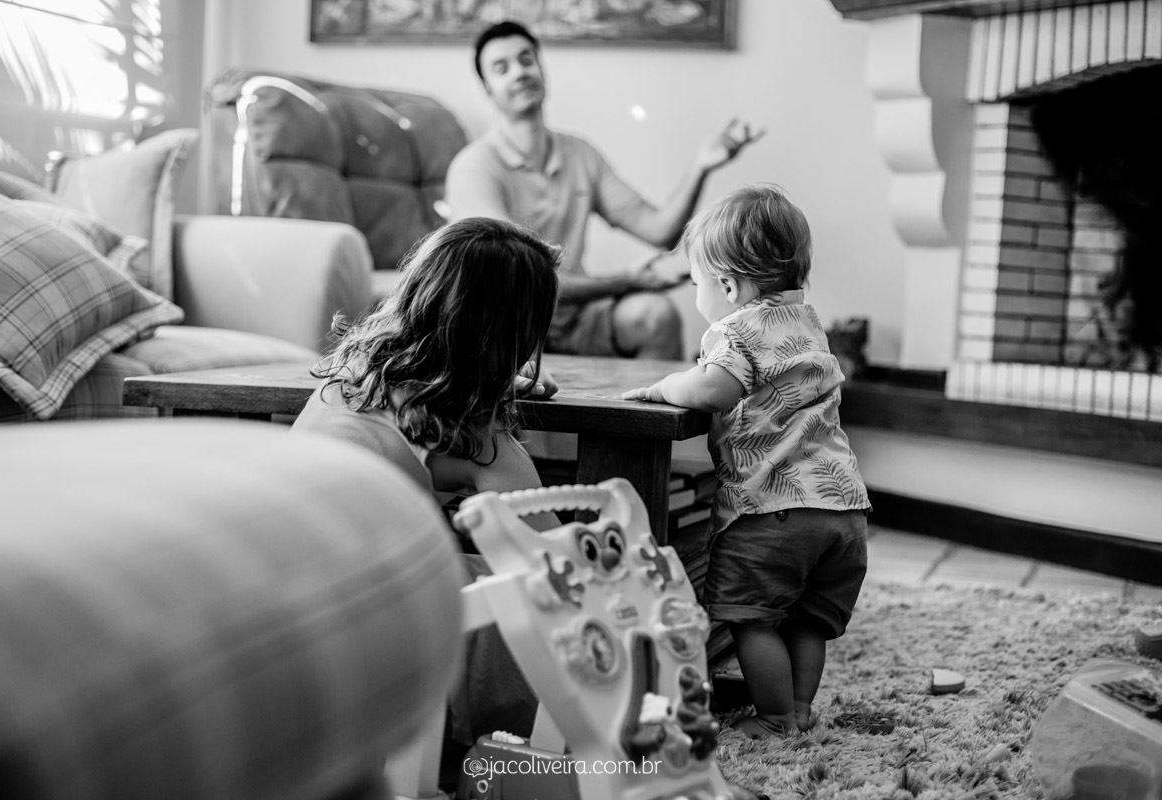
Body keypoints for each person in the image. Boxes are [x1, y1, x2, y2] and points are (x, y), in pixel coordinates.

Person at [292, 216, 561, 752]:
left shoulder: (353, 372)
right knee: (533, 596)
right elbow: (555, 558)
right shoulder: (470, 434)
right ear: (513, 333)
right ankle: (497, 733)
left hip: (293, 588)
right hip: (369, 612)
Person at [622, 185, 870, 738]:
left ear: (728, 286)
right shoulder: (806, 320)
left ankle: (775, 717)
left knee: (749, 618)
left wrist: (666, 386)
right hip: (843, 510)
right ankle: (799, 708)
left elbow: (712, 390)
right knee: (808, 620)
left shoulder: (735, 329)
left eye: (695, 284)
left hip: (772, 511)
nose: (696, 295)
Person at [446, 19, 762, 360]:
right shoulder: (473, 168)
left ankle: (649, 414)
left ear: (542, 69)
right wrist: (627, 279)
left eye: (526, 59)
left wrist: (700, 166)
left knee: (657, 316)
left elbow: (660, 232)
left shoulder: (580, 153)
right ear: (488, 89)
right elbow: (516, 283)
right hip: (508, 325)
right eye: (501, 68)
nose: (519, 73)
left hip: (575, 316)